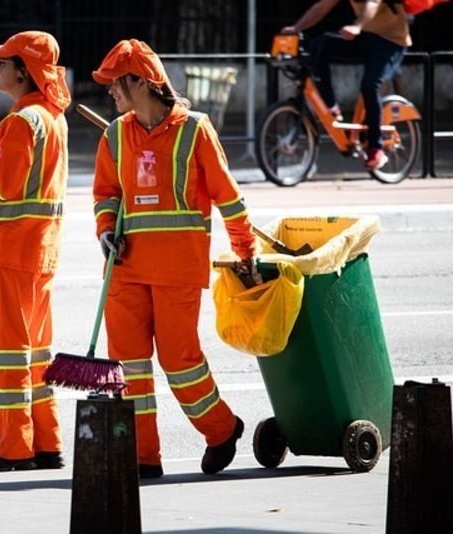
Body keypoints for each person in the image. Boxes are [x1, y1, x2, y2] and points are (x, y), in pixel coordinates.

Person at [90, 39, 260, 479]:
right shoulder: (114, 135)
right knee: (127, 365)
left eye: (115, 83)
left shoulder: (195, 130)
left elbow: (229, 197)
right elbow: (106, 195)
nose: (110, 91)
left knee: (179, 361)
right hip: (125, 269)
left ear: (141, 82)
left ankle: (221, 429)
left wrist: (246, 251)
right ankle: (142, 456)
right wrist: (106, 231)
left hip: (176, 271)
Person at [0, 31, 71, 473]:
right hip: (38, 253)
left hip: (9, 253)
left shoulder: (24, 122)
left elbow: (2, 187)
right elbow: (24, 172)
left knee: (6, 353)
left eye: (3, 62)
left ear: (24, 71)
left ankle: (14, 448)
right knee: (36, 353)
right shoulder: (49, 117)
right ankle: (46, 442)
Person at [282, 0, 411, 171]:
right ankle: (331, 106)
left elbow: (371, 4)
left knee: (370, 86)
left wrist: (357, 26)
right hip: (366, 37)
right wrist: (296, 28)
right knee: (321, 45)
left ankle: (376, 148)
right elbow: (322, 6)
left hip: (391, 42)